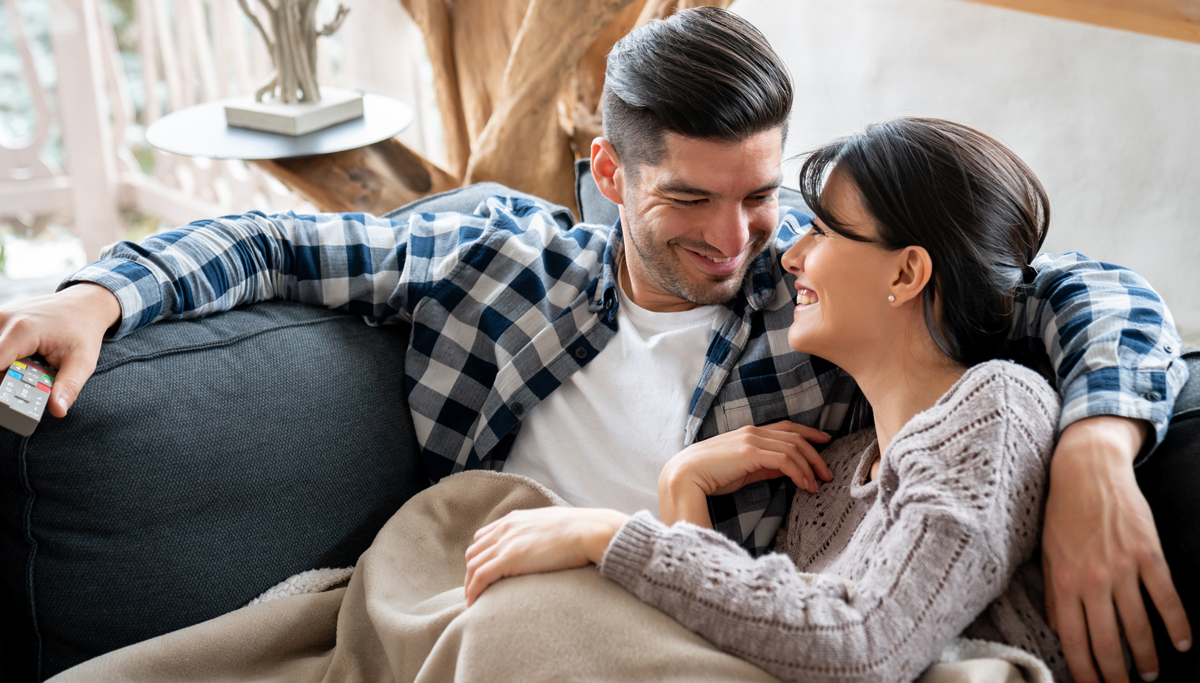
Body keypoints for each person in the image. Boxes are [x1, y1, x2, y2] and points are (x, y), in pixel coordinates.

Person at [0, 7, 1187, 682]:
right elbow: (280, 244)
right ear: (610, 174)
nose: (741, 240)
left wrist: (1098, 442)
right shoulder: (498, 258)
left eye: (764, 195)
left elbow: (1066, 288)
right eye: (692, 203)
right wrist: (102, 293)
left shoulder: (826, 296)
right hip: (469, 587)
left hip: (660, 627)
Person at [460, 116, 1079, 681]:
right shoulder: (830, 479)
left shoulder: (996, 407)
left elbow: (864, 645)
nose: (792, 255)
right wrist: (683, 484)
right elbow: (724, 659)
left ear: (904, 274)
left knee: (524, 622)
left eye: (822, 230)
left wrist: (609, 535)